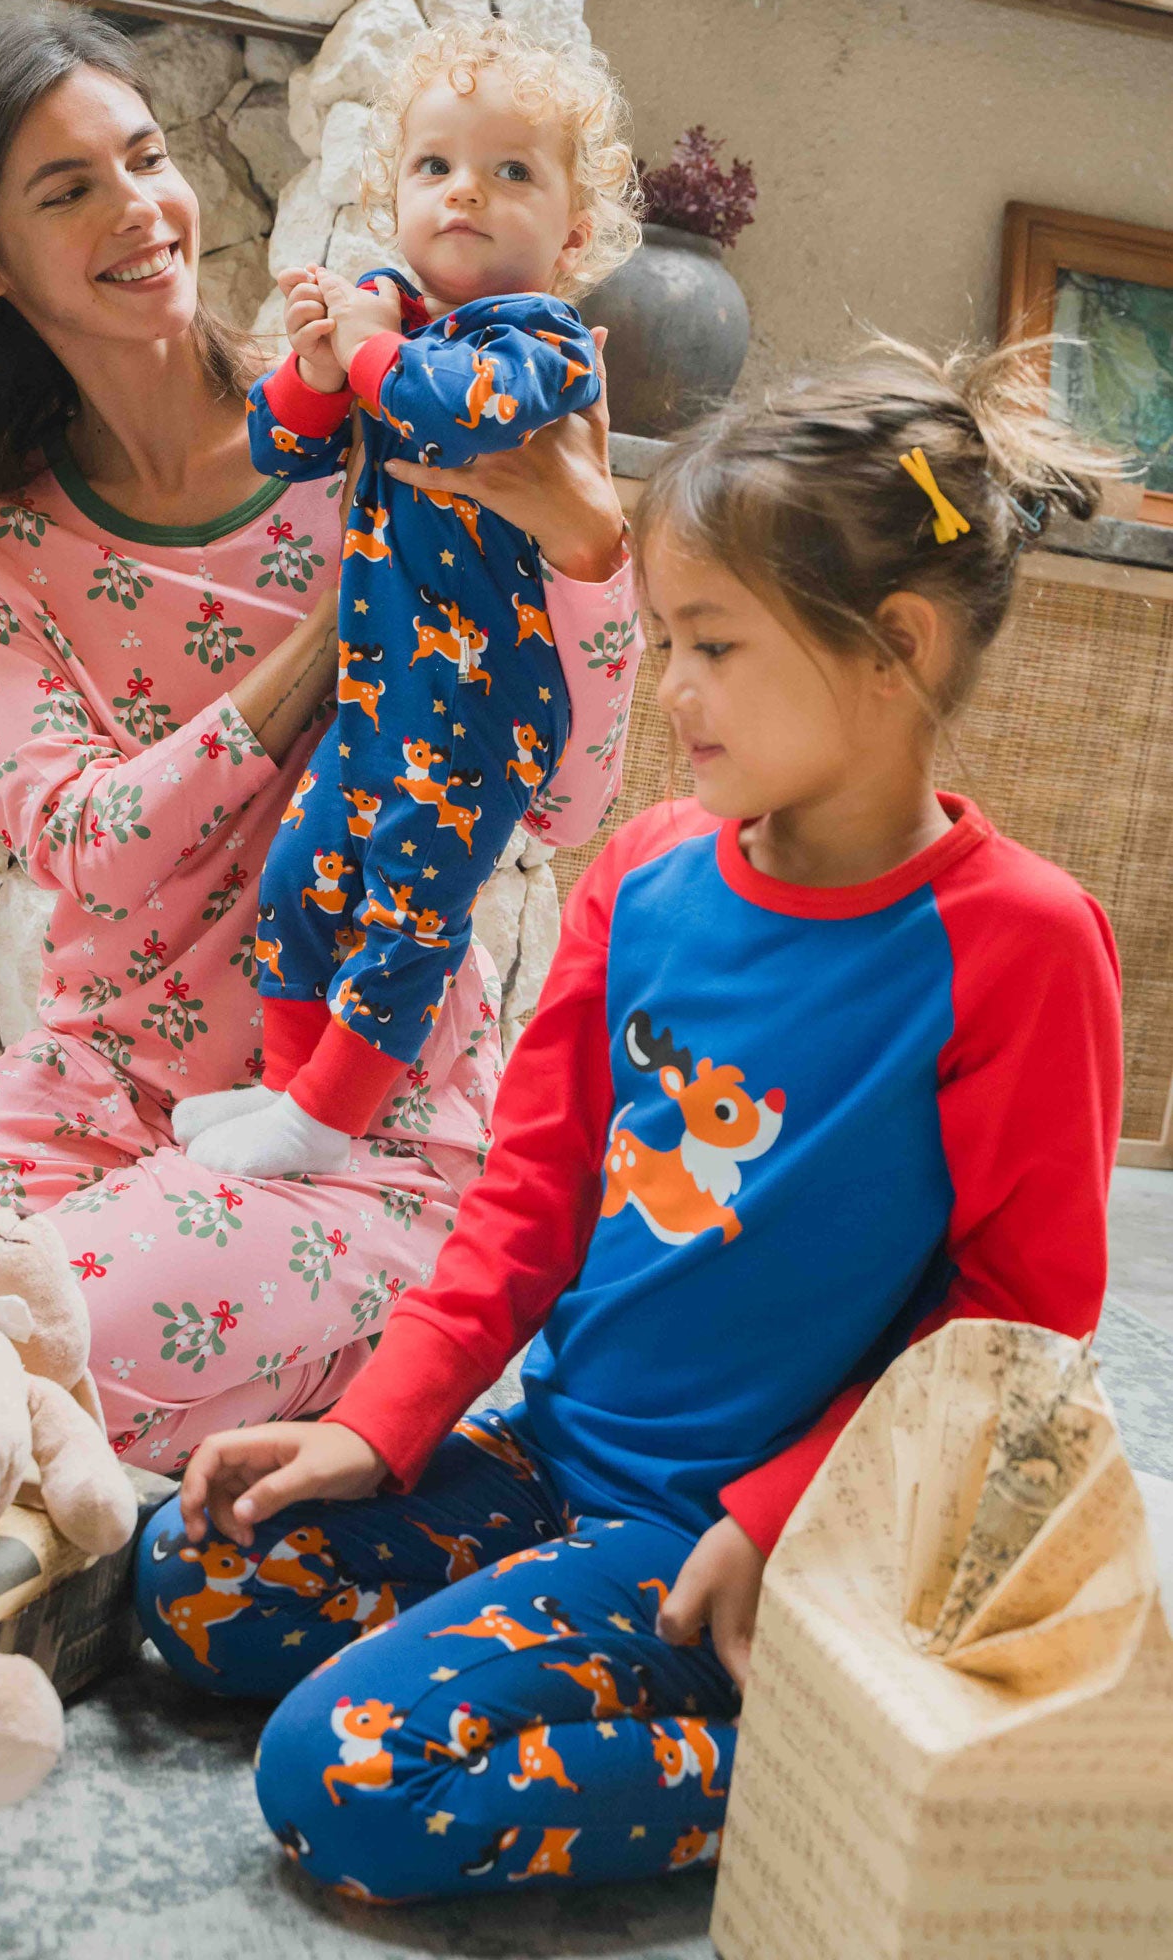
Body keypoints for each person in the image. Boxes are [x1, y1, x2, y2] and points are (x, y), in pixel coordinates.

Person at [137, 338, 1124, 1898]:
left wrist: (776, 1515)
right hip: (556, 1456)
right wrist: (371, 1425)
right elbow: (525, 1203)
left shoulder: (1020, 941)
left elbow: (1018, 1322)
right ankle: (539, 1632)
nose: (671, 692)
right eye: (664, 640)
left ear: (900, 648)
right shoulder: (648, 871)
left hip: (737, 1535)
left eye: (715, 647)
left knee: (347, 1780)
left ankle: (820, 1767)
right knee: (193, 1575)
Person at [0, 6, 640, 1476]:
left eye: (146, 157)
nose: (141, 209)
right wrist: (335, 644)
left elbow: (564, 805)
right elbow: (87, 849)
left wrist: (588, 547)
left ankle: (291, 1357)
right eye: (68, 190)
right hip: (91, 1088)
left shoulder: (387, 431)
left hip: (363, 1132)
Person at [177, 21, 634, 1181]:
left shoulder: (540, 340)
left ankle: (325, 1123)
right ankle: (287, 1092)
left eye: (509, 171)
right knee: (298, 872)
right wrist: (321, 366)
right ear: (397, 195)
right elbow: (280, 445)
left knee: (407, 912)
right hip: (381, 689)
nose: (463, 190)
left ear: (570, 235)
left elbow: (452, 412)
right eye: (433, 166)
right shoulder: (402, 331)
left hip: (482, 707)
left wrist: (372, 347)